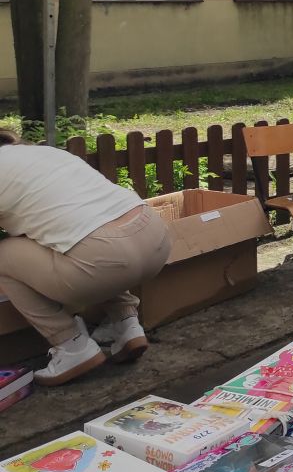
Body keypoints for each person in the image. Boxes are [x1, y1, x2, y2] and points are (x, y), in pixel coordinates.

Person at [0, 133, 172, 386]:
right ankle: (126, 323)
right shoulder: (45, 153)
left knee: (4, 256)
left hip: (102, 258)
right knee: (76, 235)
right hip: (155, 238)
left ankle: (71, 345)